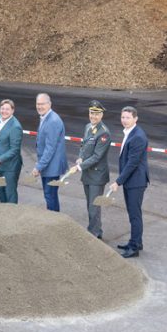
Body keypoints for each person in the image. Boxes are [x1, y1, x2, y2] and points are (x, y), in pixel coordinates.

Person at [111, 106, 150, 258]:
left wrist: (118, 182)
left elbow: (132, 163)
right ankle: (136, 242)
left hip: (136, 181)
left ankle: (134, 247)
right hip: (131, 181)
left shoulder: (138, 137)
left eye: (128, 117)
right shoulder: (129, 132)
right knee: (133, 213)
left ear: (135, 119)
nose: (124, 120)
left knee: (135, 215)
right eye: (123, 117)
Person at [75, 100, 111, 238]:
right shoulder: (88, 127)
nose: (93, 116)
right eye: (91, 113)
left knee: (93, 207)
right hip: (87, 174)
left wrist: (79, 166)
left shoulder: (104, 133)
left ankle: (93, 234)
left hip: (97, 175)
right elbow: (83, 146)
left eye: (96, 114)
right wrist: (80, 157)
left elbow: (97, 156)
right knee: (90, 205)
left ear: (101, 115)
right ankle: (96, 231)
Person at [32, 93, 68, 211]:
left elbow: (50, 148)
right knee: (50, 196)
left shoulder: (52, 121)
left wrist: (39, 166)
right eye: (38, 104)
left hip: (52, 167)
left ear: (49, 104)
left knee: (50, 196)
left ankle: (54, 222)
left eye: (42, 104)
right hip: (49, 166)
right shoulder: (46, 117)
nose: (40, 106)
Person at [0, 99, 23, 204]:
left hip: (10, 167)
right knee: (0, 189)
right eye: (2, 108)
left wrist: (0, 159)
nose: (4, 111)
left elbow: (15, 149)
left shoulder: (15, 127)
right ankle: (4, 213)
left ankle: (12, 216)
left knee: (10, 193)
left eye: (7, 109)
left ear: (13, 111)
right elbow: (1, 137)